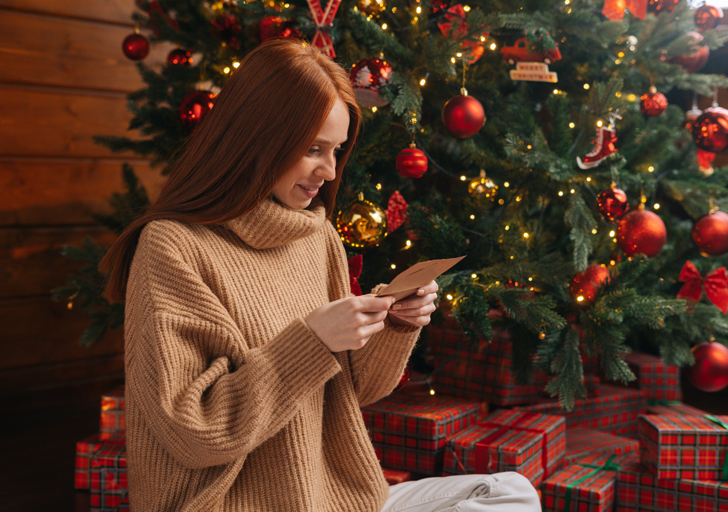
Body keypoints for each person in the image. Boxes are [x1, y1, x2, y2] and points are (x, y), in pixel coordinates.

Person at [100, 38, 540, 512]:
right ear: (258, 138)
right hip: (232, 504)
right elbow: (194, 432)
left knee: (511, 494)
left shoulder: (317, 236)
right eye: (314, 149)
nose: (329, 172)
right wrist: (311, 342)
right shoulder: (173, 246)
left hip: (331, 496)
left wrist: (395, 324)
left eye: (337, 150)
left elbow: (352, 395)